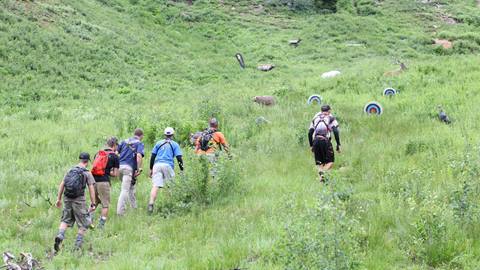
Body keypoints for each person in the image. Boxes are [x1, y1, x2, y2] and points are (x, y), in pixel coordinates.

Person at [53, 152, 96, 253]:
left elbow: (62, 184)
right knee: (84, 223)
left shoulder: (70, 170)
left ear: (79, 159)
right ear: (87, 161)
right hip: (79, 200)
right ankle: (77, 245)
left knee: (65, 220)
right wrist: (93, 203)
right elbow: (91, 189)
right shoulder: (87, 173)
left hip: (67, 198)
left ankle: (60, 235)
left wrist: (58, 199)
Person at [147, 127, 184, 214]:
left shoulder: (158, 143)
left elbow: (152, 156)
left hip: (157, 165)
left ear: (164, 135)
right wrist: (182, 169)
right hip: (167, 165)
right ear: (173, 135)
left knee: (155, 186)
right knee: (169, 186)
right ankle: (168, 205)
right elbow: (179, 158)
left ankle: (151, 203)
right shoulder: (175, 144)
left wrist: (151, 169)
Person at [90, 137, 119, 228]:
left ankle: (88, 220)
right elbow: (115, 174)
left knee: (94, 202)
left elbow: (94, 168)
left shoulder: (98, 154)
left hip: (92, 181)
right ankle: (101, 226)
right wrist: (107, 172)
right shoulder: (114, 156)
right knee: (105, 204)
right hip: (103, 182)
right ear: (114, 145)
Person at [308, 105, 341, 182]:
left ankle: (322, 180)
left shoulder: (315, 118)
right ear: (329, 111)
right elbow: (335, 131)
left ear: (321, 111)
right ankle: (322, 173)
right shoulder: (330, 117)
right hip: (325, 141)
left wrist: (311, 145)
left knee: (320, 163)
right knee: (330, 162)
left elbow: (310, 133)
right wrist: (338, 144)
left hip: (315, 141)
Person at [116, 128, 145, 216]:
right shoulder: (139, 143)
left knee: (131, 187)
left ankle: (134, 207)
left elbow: (116, 153)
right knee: (124, 190)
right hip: (128, 169)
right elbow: (139, 156)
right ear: (141, 136)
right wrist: (138, 168)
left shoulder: (124, 141)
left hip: (120, 167)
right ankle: (120, 213)